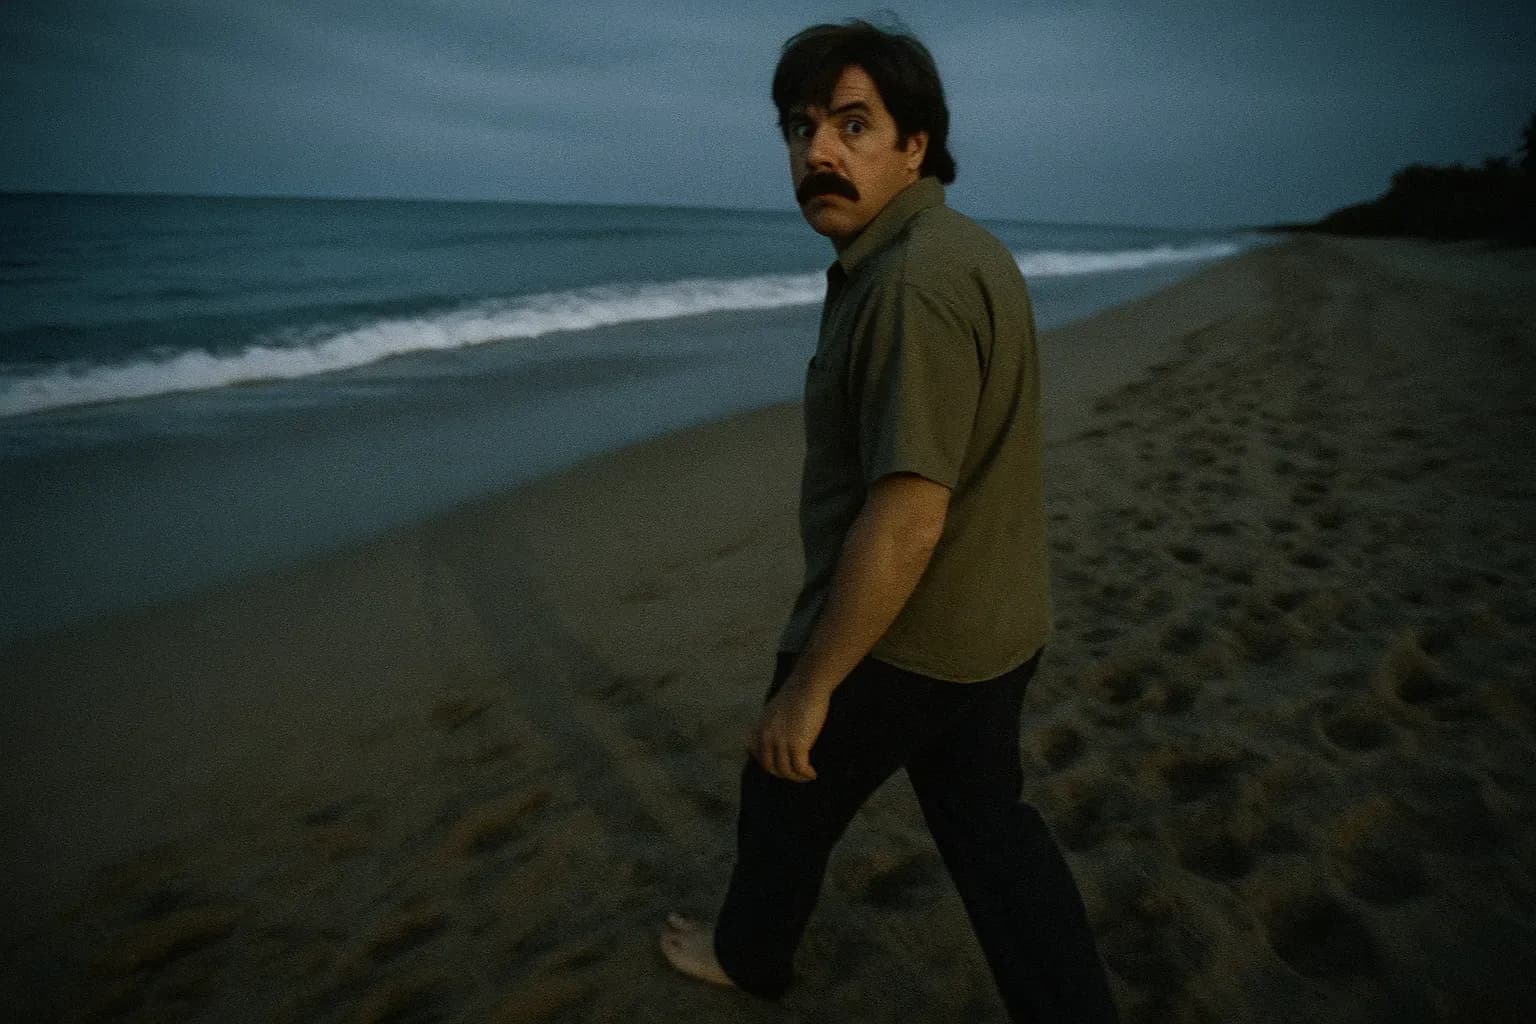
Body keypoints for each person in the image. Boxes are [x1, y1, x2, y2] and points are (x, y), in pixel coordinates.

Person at [660, 18, 1120, 1023]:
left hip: (907, 633)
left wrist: (810, 688)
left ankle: (748, 956)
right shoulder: (956, 249)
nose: (819, 151)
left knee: (781, 784)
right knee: (991, 834)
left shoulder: (910, 283)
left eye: (853, 124)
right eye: (801, 128)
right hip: (994, 624)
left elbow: (907, 517)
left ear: (915, 145)